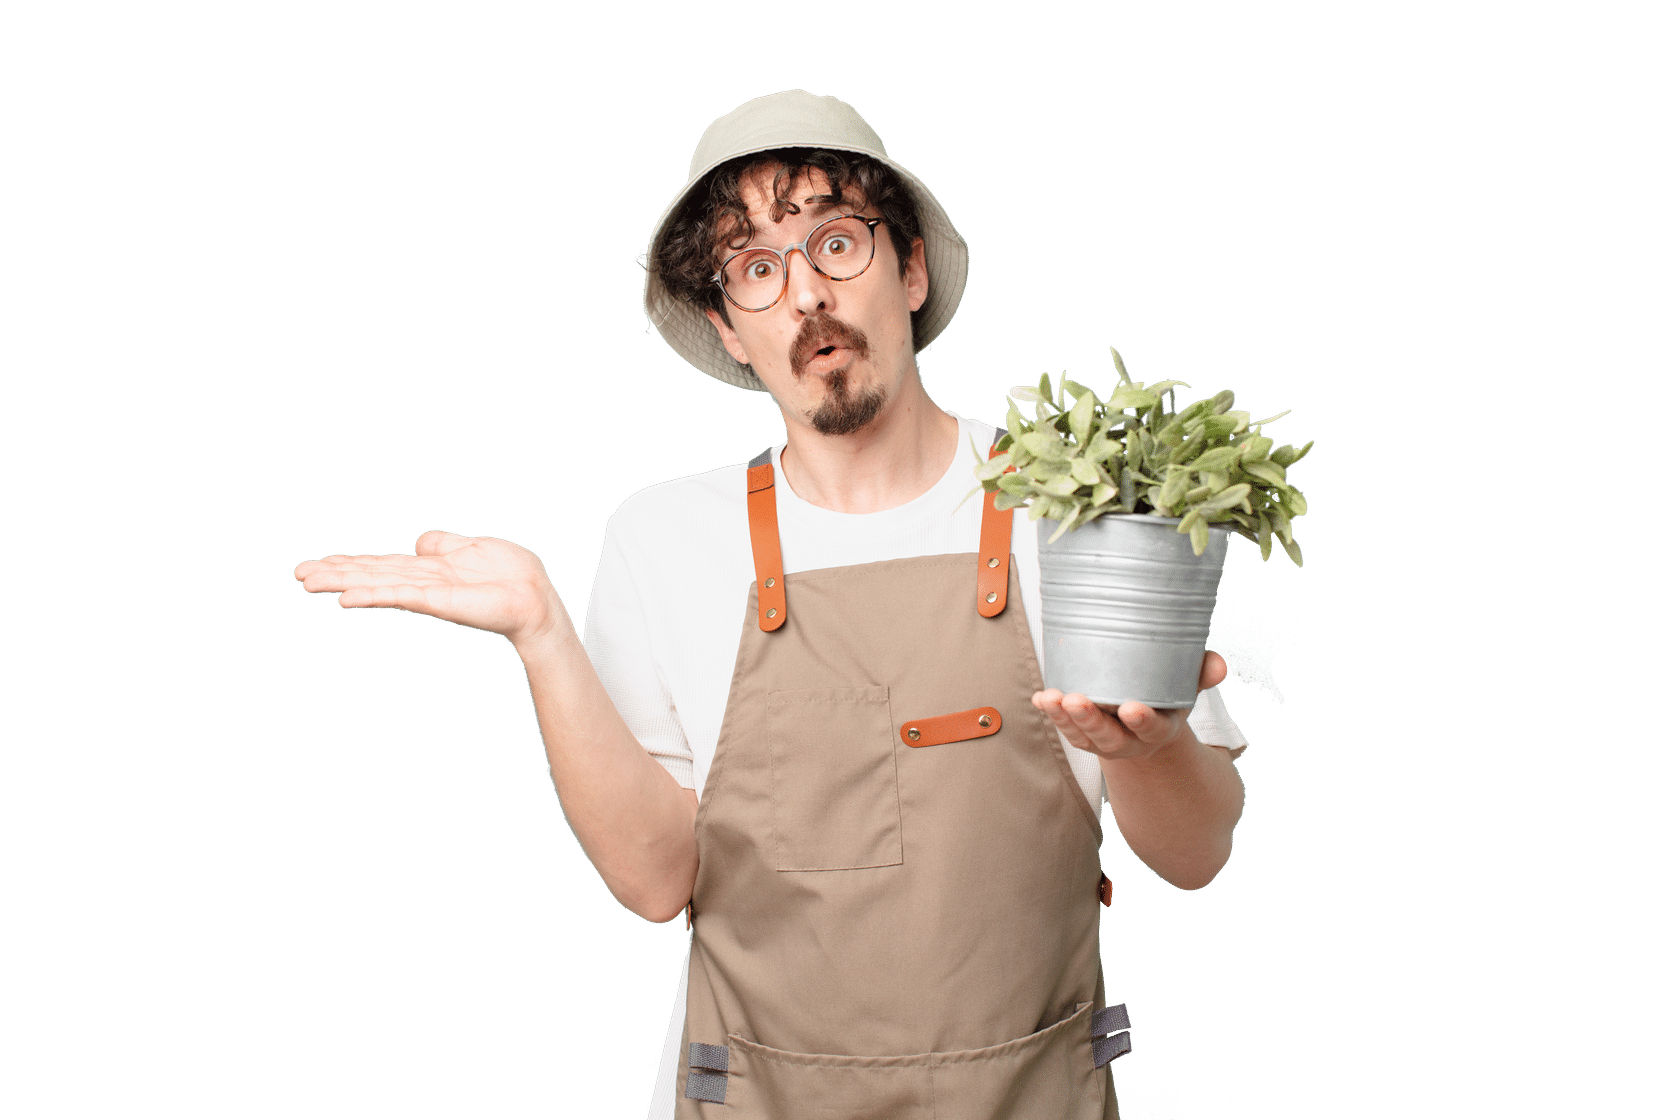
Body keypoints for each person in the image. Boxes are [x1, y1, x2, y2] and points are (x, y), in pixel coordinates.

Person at [294, 89, 1249, 1119]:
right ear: (729, 327)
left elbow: (1197, 856)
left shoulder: (1073, 510)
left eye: (836, 242)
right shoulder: (666, 540)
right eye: (756, 267)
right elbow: (659, 881)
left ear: (911, 267)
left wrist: (1148, 750)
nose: (805, 296)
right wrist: (543, 636)